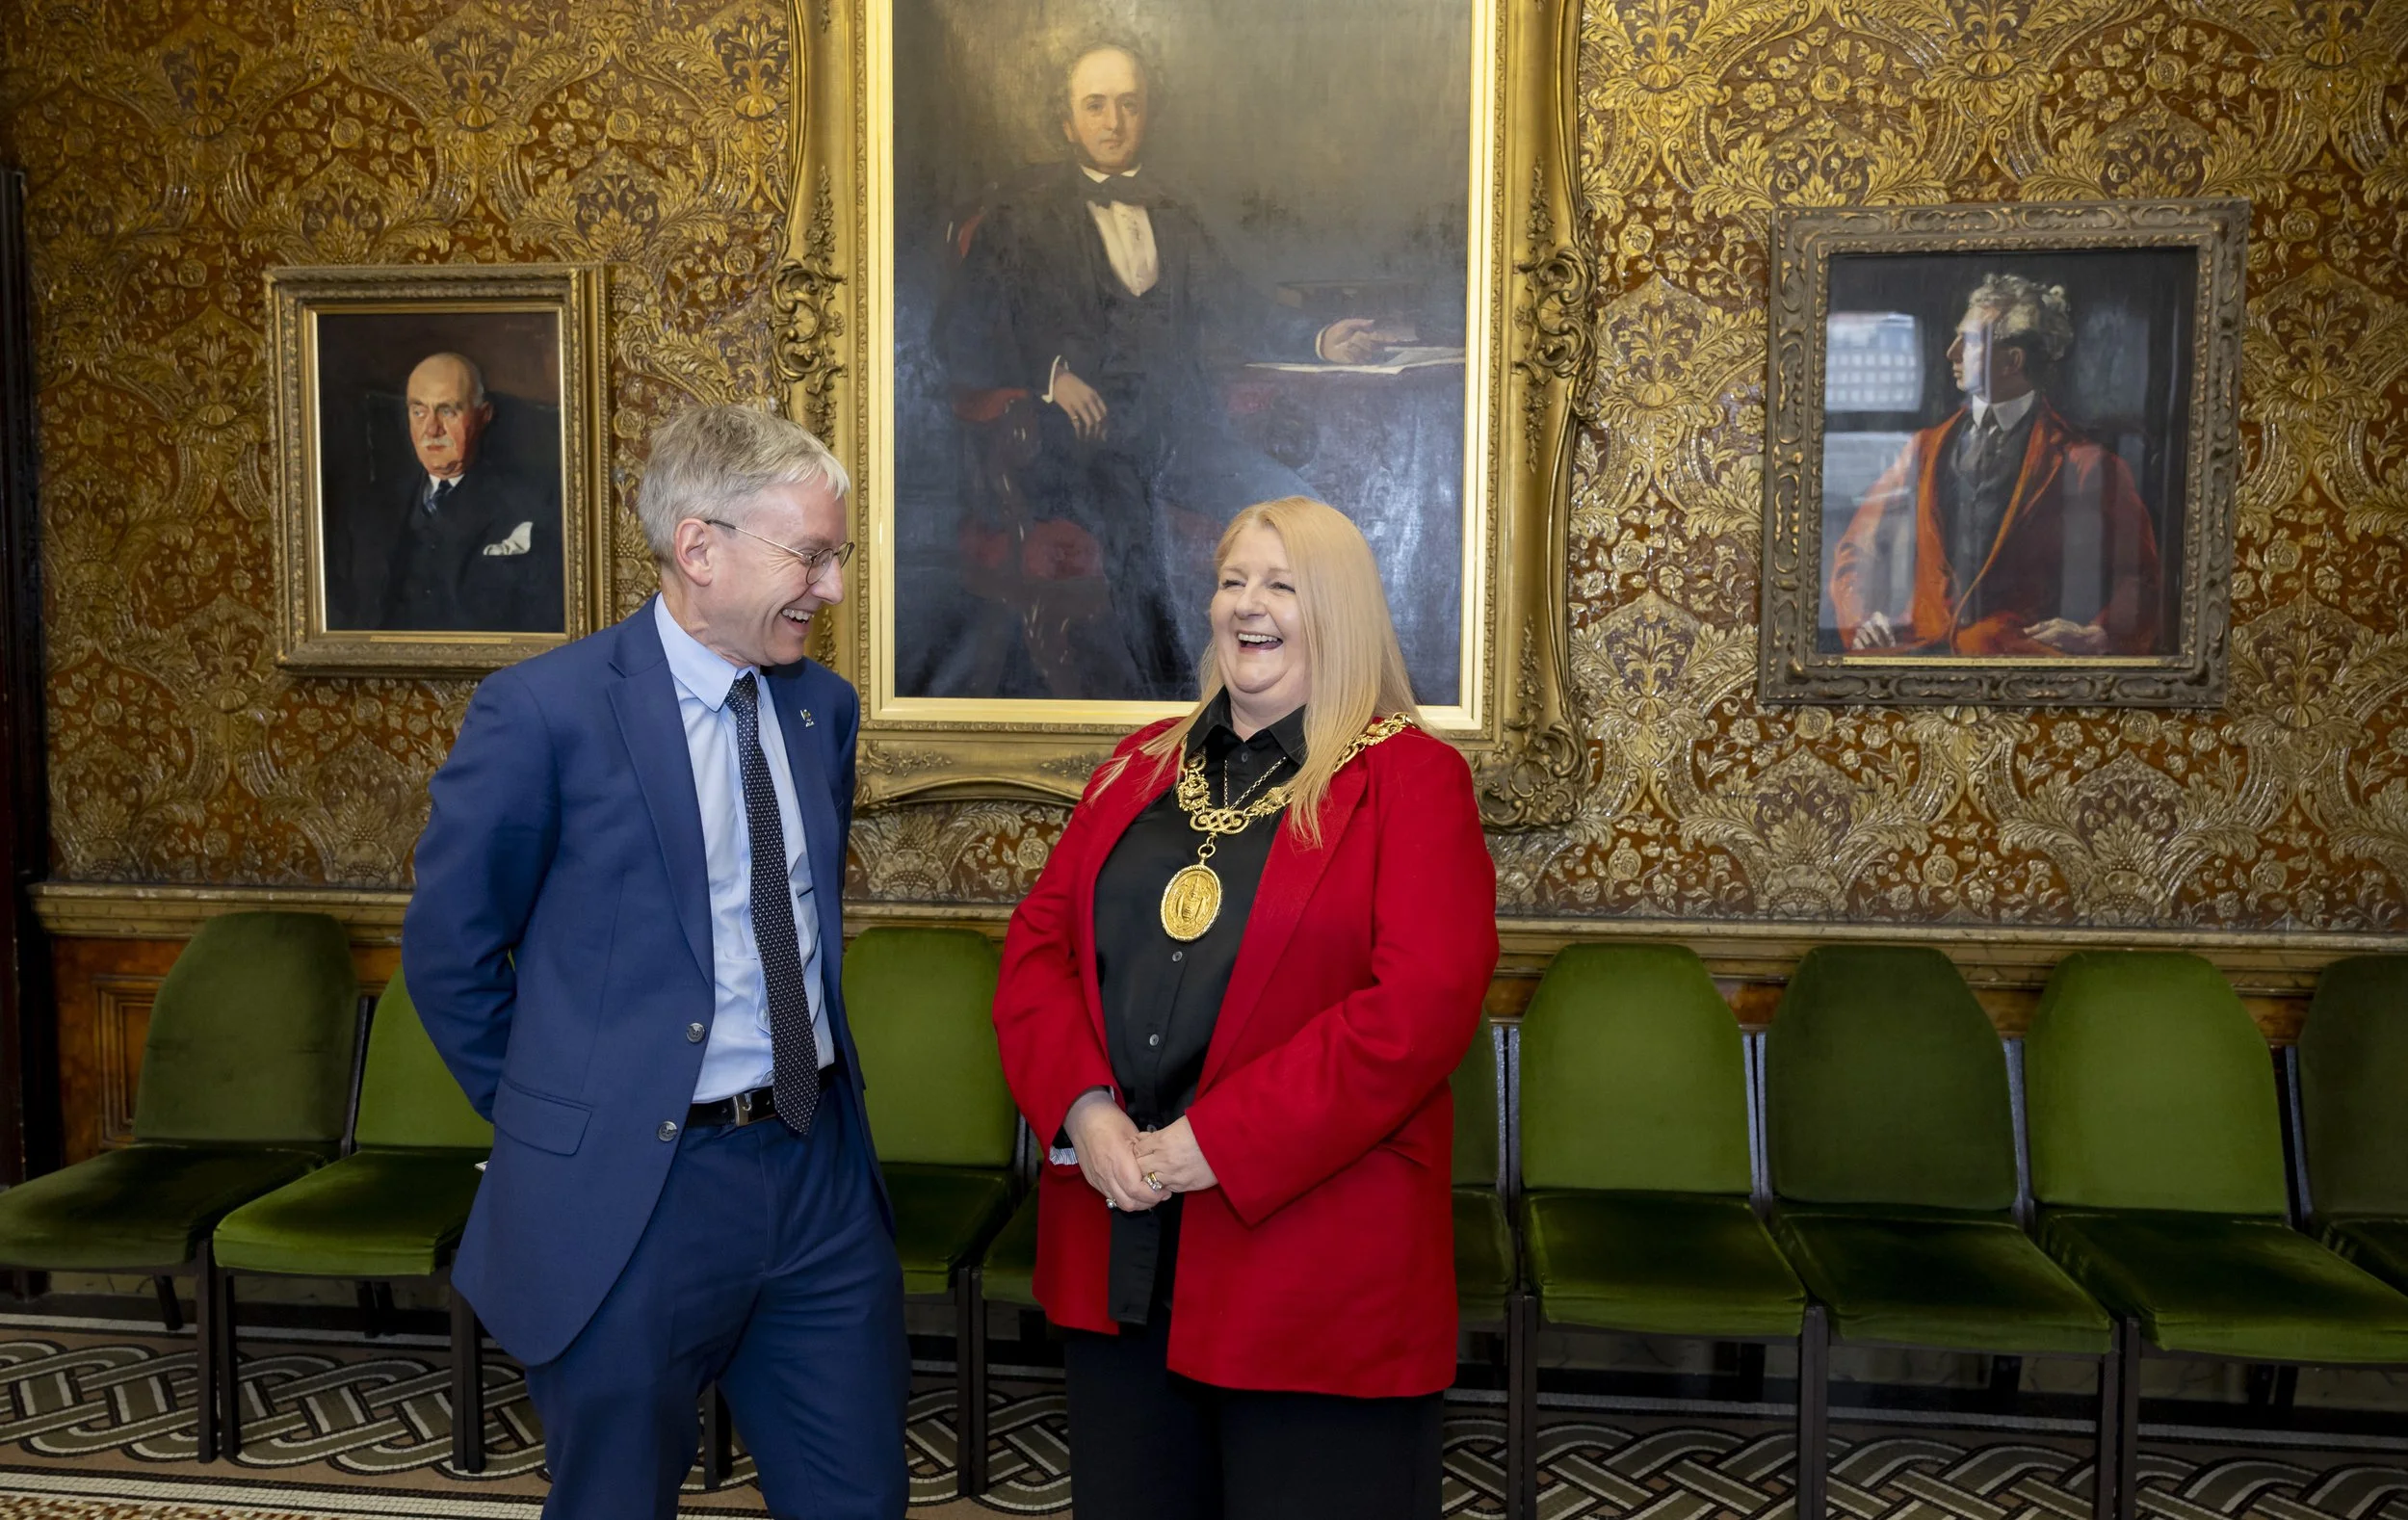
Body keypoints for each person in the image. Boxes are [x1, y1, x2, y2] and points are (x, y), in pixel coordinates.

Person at [403, 406, 906, 1520]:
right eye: (811, 557)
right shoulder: (544, 713)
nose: (829, 588)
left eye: (838, 558)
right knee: (615, 1502)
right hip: (639, 1192)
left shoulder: (822, 707)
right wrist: (573, 1116)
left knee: (858, 1496)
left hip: (815, 1163)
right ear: (698, 547)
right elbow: (450, 956)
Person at [990, 495, 1498, 1520]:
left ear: (1341, 610)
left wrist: (1213, 1142)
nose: (1246, 606)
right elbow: (1037, 954)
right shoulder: (1134, 768)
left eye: (1281, 584)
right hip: (1119, 1246)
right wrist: (1083, 1112)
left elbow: (1417, 1012)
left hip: (1311, 1269)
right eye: (1231, 581)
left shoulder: (1412, 781)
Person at [937, 42, 1389, 698]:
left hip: (1183, 435)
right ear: (1068, 123)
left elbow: (1240, 306)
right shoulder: (1020, 221)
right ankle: (1175, 714)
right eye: (1095, 106)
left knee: (1312, 518)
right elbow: (956, 336)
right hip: (1078, 448)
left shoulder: (1172, 215)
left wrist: (1322, 338)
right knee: (1139, 549)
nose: (1113, 122)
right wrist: (1049, 375)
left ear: (1146, 115)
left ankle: (1320, 704)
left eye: (1128, 105)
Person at [1828, 274, 2162, 657]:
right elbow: (1857, 546)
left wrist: (2100, 635)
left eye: (1969, 341)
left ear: (2012, 360)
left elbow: (2142, 578)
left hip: (2020, 669)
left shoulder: (2087, 463)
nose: (1952, 352)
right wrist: (1860, 616)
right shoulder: (1924, 447)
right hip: (1915, 660)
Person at [333, 352, 563, 633]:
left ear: (483, 415)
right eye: (419, 411)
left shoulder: (532, 503)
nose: (431, 429)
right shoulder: (369, 509)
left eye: (447, 411)